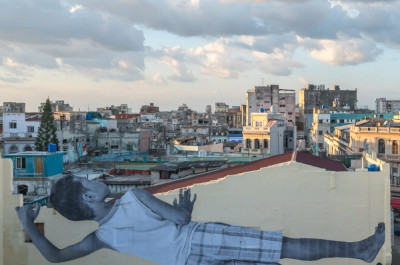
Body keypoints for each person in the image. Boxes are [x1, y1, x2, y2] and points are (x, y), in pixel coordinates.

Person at [16, 176, 385, 264]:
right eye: (88, 181)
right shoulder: (133, 197)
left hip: (189, 261)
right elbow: (178, 218)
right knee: (281, 247)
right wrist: (186, 211)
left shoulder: (103, 237)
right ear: (88, 196)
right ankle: (359, 250)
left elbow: (57, 257)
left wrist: (27, 222)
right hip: (201, 240)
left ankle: (359, 250)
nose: (95, 180)